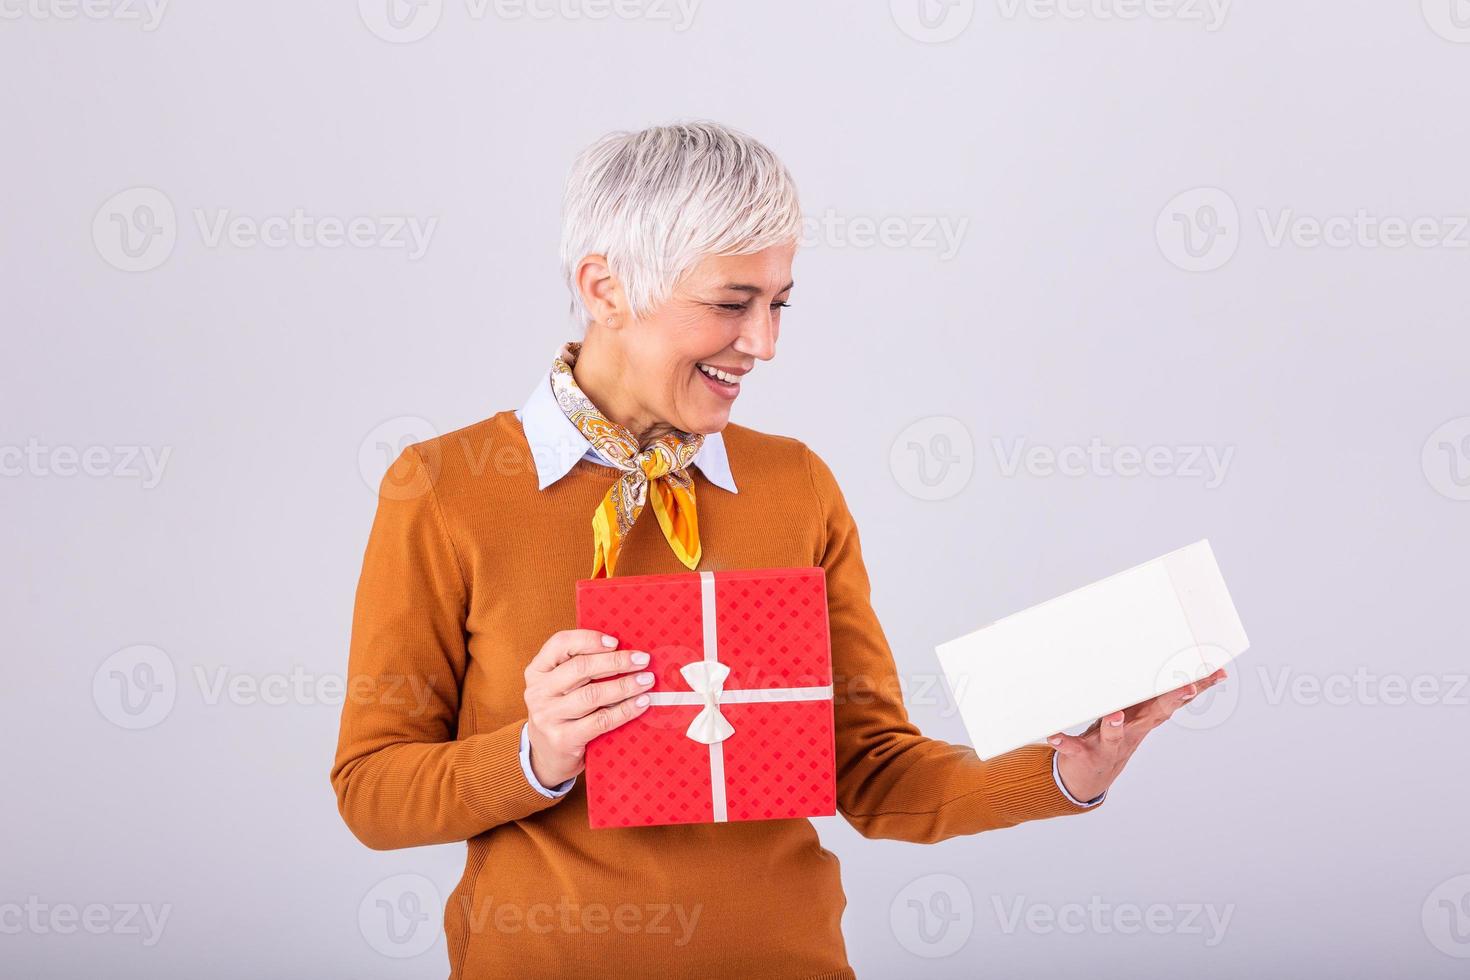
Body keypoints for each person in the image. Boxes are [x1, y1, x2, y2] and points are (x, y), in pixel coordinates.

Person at [330, 119, 1226, 979]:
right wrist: (535, 753)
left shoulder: (795, 486)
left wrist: (1066, 773)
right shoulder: (446, 487)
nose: (763, 344)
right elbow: (373, 791)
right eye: (731, 304)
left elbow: (871, 772)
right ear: (605, 289)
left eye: (778, 303)